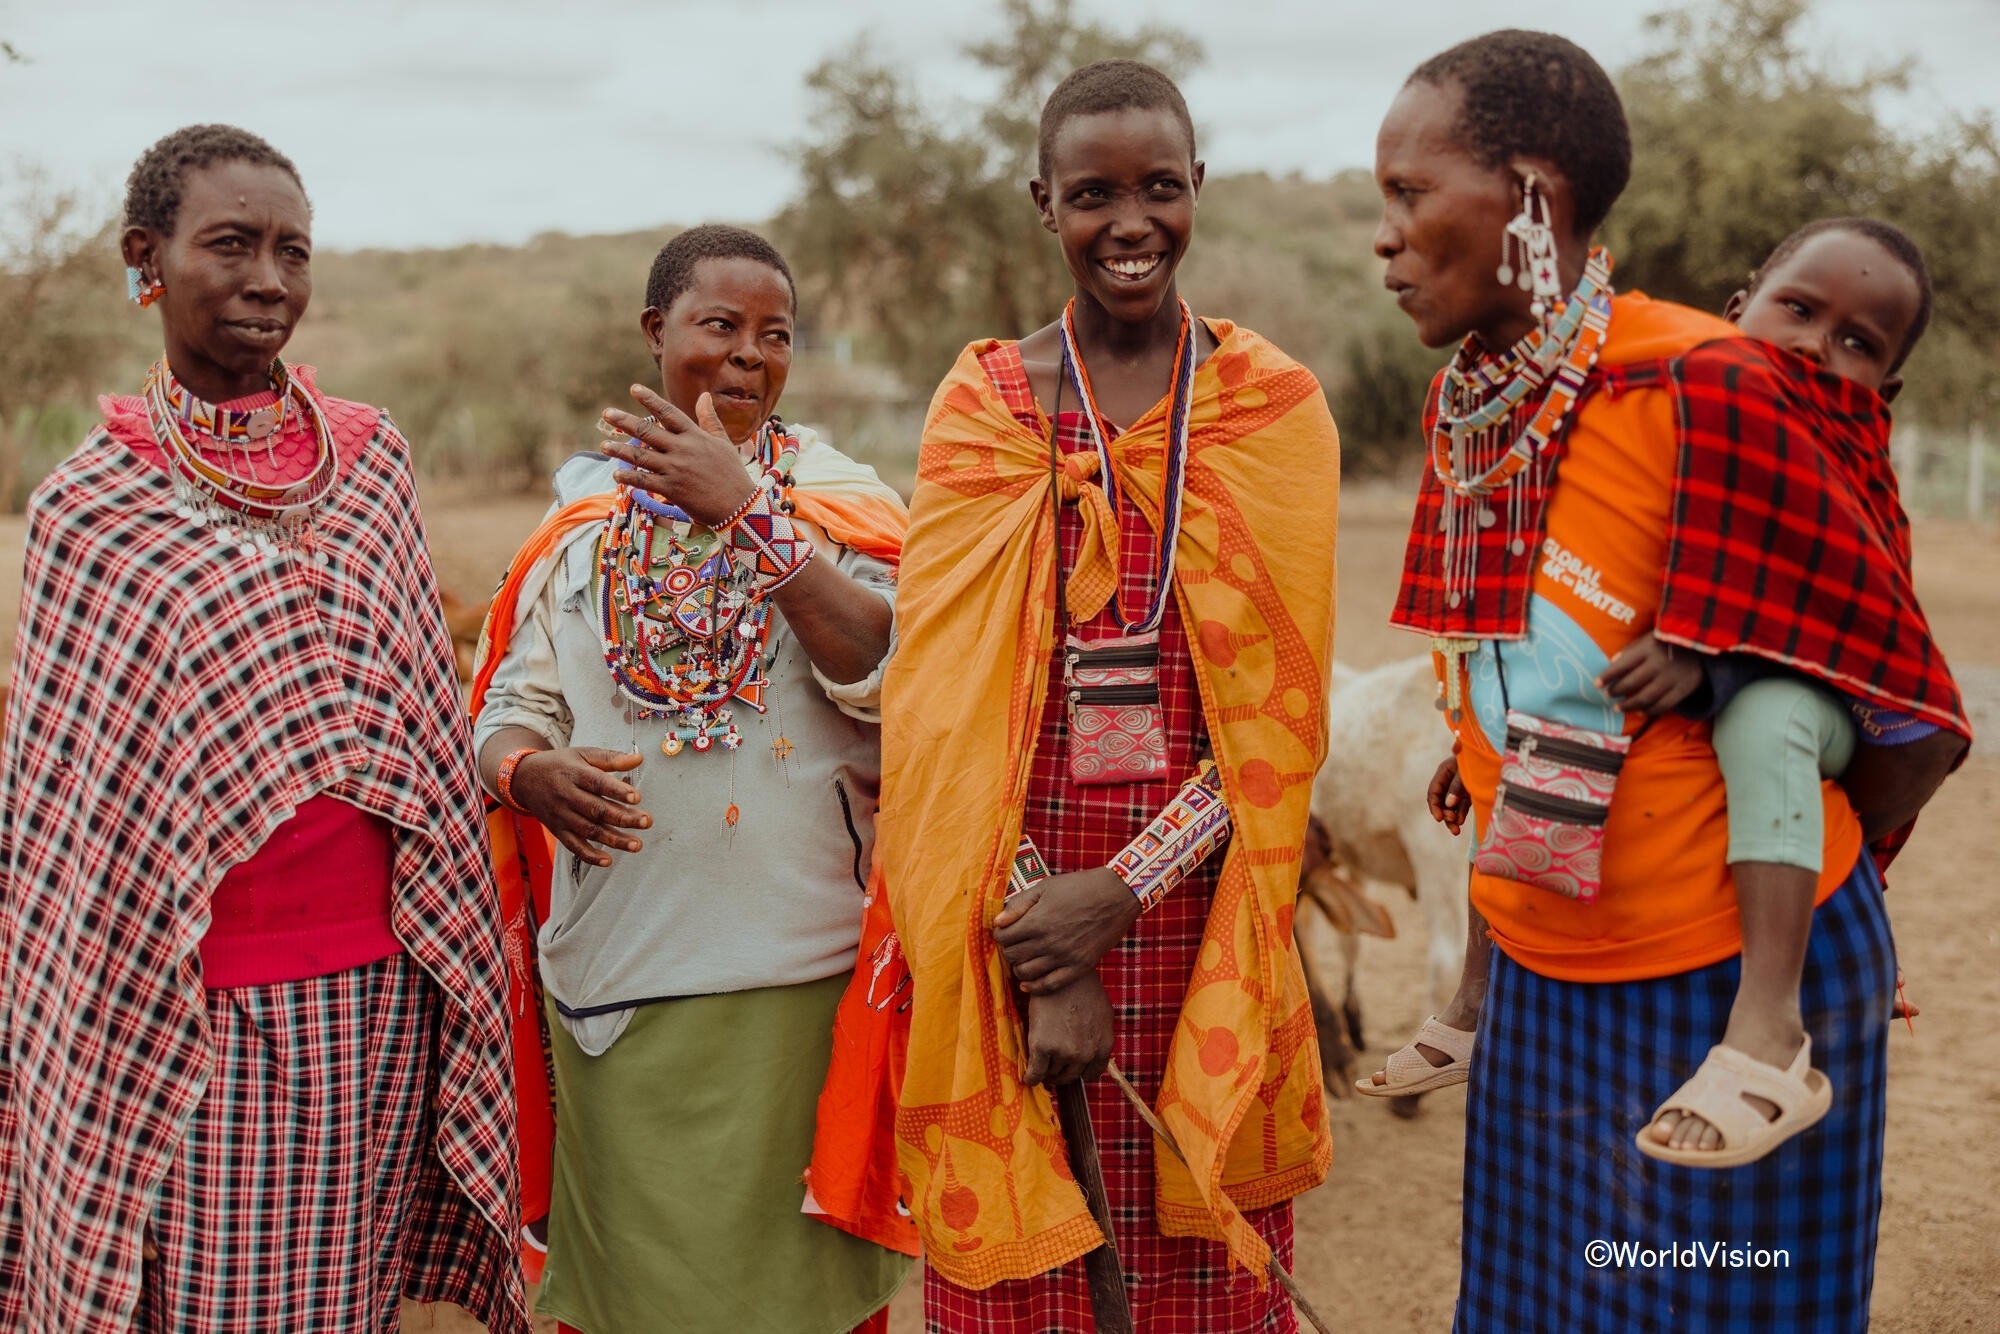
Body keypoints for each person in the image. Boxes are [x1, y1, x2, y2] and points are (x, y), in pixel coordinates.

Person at [1371, 33, 1968, 1331]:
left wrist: (1796, 877)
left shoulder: (1718, 388)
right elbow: (1517, 656)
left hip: (1717, 1000)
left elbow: (1912, 712)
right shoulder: (1478, 399)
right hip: (1537, 972)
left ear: (1530, 200)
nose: (1387, 235)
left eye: (1410, 195)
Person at [0, 125, 528, 1332]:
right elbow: (74, 806)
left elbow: (417, 724)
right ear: (148, 258)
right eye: (228, 244)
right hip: (192, 1006)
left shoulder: (372, 460)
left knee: (346, 1301)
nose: (268, 278)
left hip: (387, 984)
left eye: (292, 249)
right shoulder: (91, 505)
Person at [881, 60, 1341, 1331]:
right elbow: (948, 721)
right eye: (1092, 193)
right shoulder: (984, 407)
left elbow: (1275, 728)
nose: (1127, 222)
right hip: (1008, 925)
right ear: (1043, 203)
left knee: (1191, 1286)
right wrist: (1047, 942)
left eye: (1158, 188)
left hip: (1202, 917)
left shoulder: (1269, 409)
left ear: (1200, 189)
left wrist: (1120, 893)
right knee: (1023, 1285)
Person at [469, 223, 912, 1334]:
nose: (749, 355)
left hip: (798, 989)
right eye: (720, 324)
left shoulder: (842, 512)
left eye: (777, 334)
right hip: (622, 989)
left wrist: (748, 513)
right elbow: (505, 714)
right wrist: (529, 777)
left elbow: (893, 675)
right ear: (655, 330)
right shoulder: (578, 537)